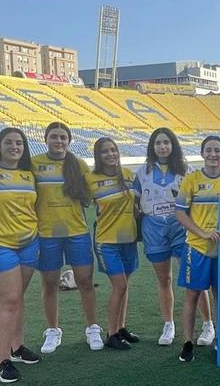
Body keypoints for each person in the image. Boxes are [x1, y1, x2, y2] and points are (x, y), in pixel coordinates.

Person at [133, 127, 213, 346]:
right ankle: (168, 324)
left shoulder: (186, 170)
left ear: (173, 145)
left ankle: (208, 324)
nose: (162, 146)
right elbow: (134, 200)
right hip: (154, 228)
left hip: (181, 227)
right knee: (164, 279)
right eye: (158, 143)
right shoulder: (143, 171)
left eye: (166, 142)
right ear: (152, 146)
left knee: (194, 278)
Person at [0, 127, 41, 383]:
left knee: (18, 298)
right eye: (9, 142)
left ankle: (17, 347)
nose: (14, 147)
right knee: (10, 300)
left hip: (29, 243)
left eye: (19, 143)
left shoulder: (29, 174)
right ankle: (1, 362)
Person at [31, 122, 102, 354]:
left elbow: (90, 196)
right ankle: (53, 330)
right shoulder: (34, 164)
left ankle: (92, 328)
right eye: (54, 137)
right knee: (50, 284)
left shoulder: (79, 164)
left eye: (63, 137)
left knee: (85, 281)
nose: (59, 141)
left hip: (76, 232)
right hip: (46, 234)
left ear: (69, 141)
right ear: (46, 139)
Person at [174, 136, 220, 362]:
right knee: (192, 295)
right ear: (202, 153)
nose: (213, 154)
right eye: (209, 150)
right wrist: (202, 233)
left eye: (217, 151)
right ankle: (188, 343)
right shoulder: (191, 180)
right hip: (197, 247)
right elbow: (180, 213)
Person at [87, 137, 140, 350]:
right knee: (119, 286)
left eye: (113, 150)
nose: (110, 154)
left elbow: (139, 202)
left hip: (129, 239)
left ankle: (121, 327)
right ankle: (111, 333)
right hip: (106, 241)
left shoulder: (128, 175)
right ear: (97, 156)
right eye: (105, 152)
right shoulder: (90, 179)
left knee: (124, 286)